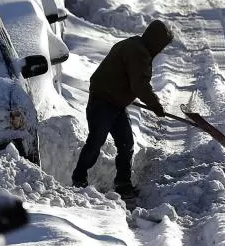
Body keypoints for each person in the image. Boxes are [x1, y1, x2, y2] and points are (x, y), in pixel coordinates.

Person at [72, 20, 174, 197]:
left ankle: (123, 183)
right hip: (103, 102)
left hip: (115, 103)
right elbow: (139, 85)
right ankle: (79, 179)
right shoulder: (138, 52)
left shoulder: (134, 44)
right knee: (96, 141)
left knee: (126, 143)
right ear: (156, 41)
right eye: (161, 46)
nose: (161, 50)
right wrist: (155, 105)